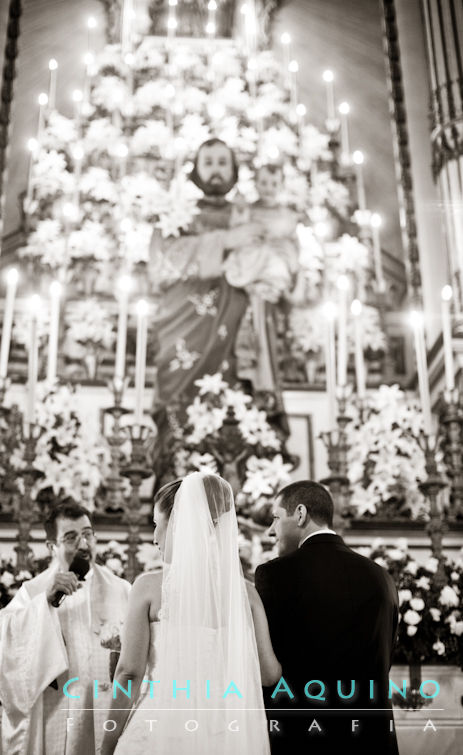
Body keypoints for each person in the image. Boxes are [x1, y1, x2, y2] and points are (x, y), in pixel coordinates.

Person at [101, 473, 280, 755]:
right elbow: (270, 675)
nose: (154, 538)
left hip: (160, 732)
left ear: (180, 525)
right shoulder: (246, 594)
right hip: (225, 736)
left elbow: (128, 674)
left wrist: (106, 746)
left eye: (157, 526)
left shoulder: (148, 588)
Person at [255, 481, 399, 755]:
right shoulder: (382, 577)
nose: (270, 531)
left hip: (302, 737)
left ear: (300, 514)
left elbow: (267, 667)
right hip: (372, 739)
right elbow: (385, 659)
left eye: (275, 518)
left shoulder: (274, 575)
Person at [148, 138, 264, 479]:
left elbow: (265, 264)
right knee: (177, 397)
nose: (215, 169)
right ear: (196, 170)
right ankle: (173, 466)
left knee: (229, 393)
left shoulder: (248, 217)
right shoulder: (177, 215)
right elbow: (160, 264)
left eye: (222, 162)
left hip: (232, 320)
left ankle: (230, 472)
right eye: (208, 161)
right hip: (182, 322)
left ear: (234, 170)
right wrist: (226, 241)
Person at [0, 502, 131, 755]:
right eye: (71, 537)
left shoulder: (122, 590)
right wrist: (44, 605)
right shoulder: (34, 591)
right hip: (57, 712)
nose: (83, 544)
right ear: (52, 546)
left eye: (87, 533)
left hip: (106, 707)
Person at [223, 163, 299, 392]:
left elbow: (293, 250)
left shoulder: (287, 215)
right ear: (255, 183)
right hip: (251, 268)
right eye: (264, 182)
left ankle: (264, 379)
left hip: (272, 274)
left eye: (274, 183)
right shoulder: (249, 211)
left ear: (281, 185)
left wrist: (284, 252)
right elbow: (239, 235)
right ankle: (248, 370)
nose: (268, 188)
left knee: (264, 323)